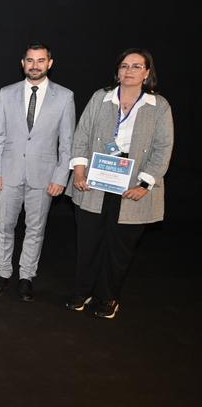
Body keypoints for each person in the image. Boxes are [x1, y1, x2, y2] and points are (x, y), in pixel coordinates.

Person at [66, 49, 173, 319]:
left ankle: (108, 297)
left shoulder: (159, 106)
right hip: (95, 179)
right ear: (118, 70)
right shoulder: (100, 98)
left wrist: (145, 184)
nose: (129, 71)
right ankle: (82, 291)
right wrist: (79, 171)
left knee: (119, 247)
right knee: (88, 241)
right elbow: (81, 135)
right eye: (124, 66)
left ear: (147, 73)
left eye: (137, 66)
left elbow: (163, 148)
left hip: (133, 183)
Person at [0, 42, 75, 302]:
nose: (34, 65)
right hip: (8, 171)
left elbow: (67, 142)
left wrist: (61, 177)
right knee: (5, 226)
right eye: (30, 60)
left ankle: (26, 277)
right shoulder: (7, 93)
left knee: (35, 229)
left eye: (40, 60)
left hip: (44, 175)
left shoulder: (65, 96)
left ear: (50, 63)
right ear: (22, 63)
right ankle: (2, 272)